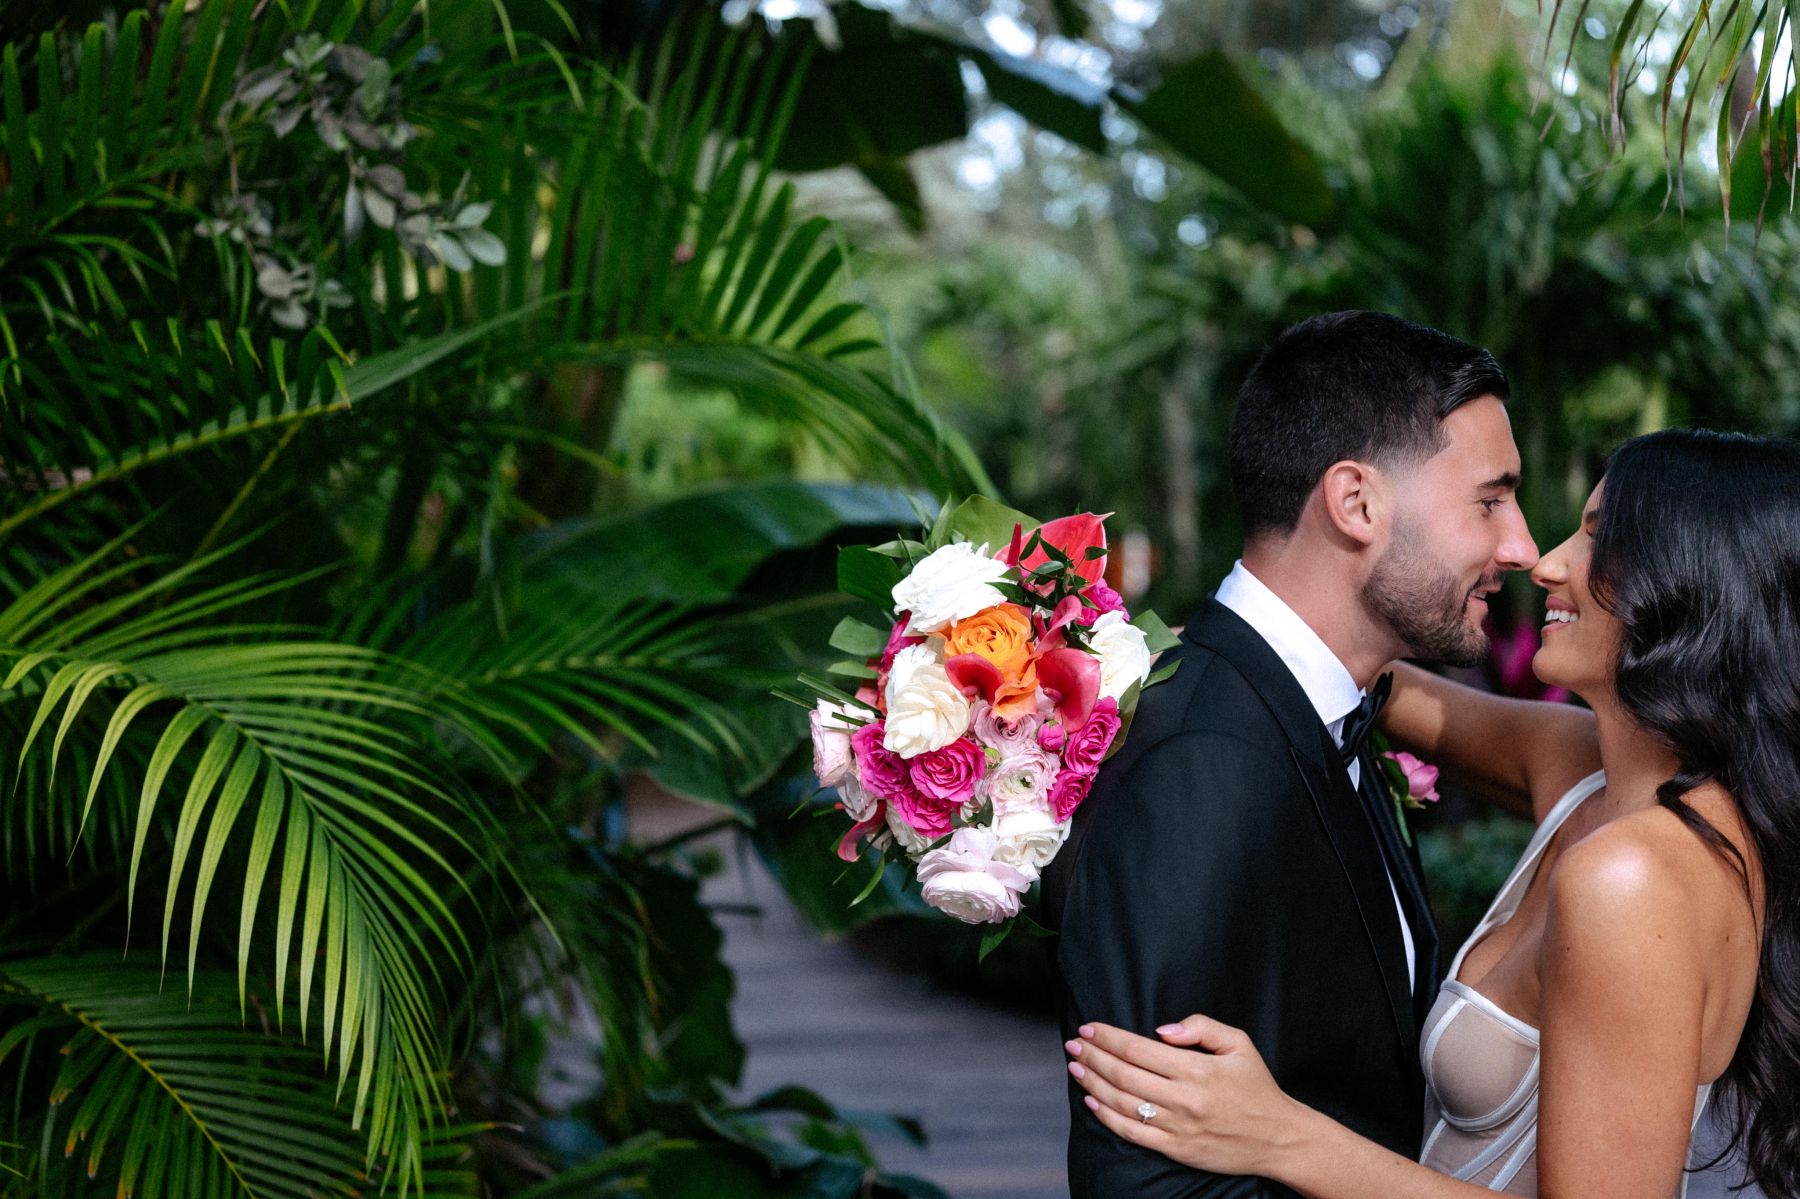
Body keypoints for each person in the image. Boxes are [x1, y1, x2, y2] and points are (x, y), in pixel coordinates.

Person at [1062, 428, 1800, 1199]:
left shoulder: (1634, 878)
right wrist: (1095, 655)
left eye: (1595, 537)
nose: (1546, 563)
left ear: (1697, 580)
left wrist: (1283, 1136)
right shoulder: (1585, 771)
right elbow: (1361, 680)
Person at [1040, 310, 1538, 1197]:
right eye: (1491, 500)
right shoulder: (1199, 758)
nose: (1522, 548)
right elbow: (1151, 1178)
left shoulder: (1324, 710)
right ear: (1355, 503)